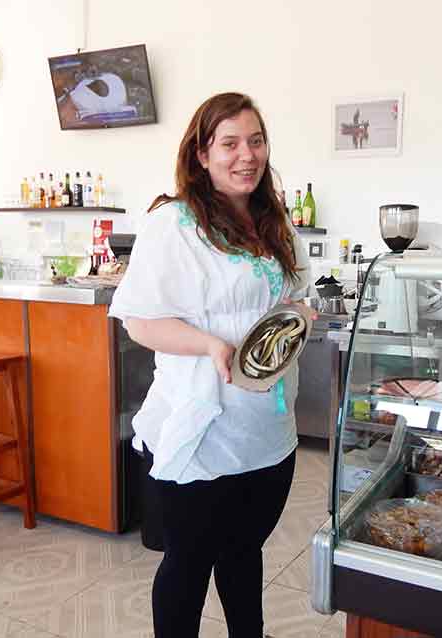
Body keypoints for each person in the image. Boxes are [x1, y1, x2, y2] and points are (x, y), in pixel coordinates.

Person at [109, 92, 312, 638]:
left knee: (245, 552)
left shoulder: (274, 220)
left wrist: (298, 312)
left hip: (267, 427)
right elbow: (139, 322)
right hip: (203, 430)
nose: (247, 155)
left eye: (256, 140)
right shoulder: (174, 224)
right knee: (189, 563)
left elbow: (293, 295)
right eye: (230, 143)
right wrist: (209, 345)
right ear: (201, 154)